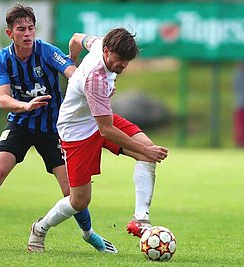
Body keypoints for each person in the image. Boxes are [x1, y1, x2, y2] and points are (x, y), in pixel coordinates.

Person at [0, 4, 112, 252]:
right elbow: (3, 99)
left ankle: (89, 234)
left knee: (71, 190)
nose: (27, 33)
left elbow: (73, 74)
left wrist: (94, 86)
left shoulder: (46, 52)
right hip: (20, 124)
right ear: (9, 33)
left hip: (54, 129)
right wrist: (25, 106)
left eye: (31, 28)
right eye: (21, 29)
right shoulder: (2, 59)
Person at [27, 28, 169, 253]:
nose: (124, 65)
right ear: (106, 52)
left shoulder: (99, 43)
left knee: (148, 150)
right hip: (77, 132)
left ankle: (140, 220)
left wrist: (71, 67)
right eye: (120, 60)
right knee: (79, 202)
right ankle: (40, 229)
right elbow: (106, 130)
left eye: (127, 61)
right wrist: (78, 78)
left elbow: (74, 38)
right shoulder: (95, 78)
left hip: (100, 119)